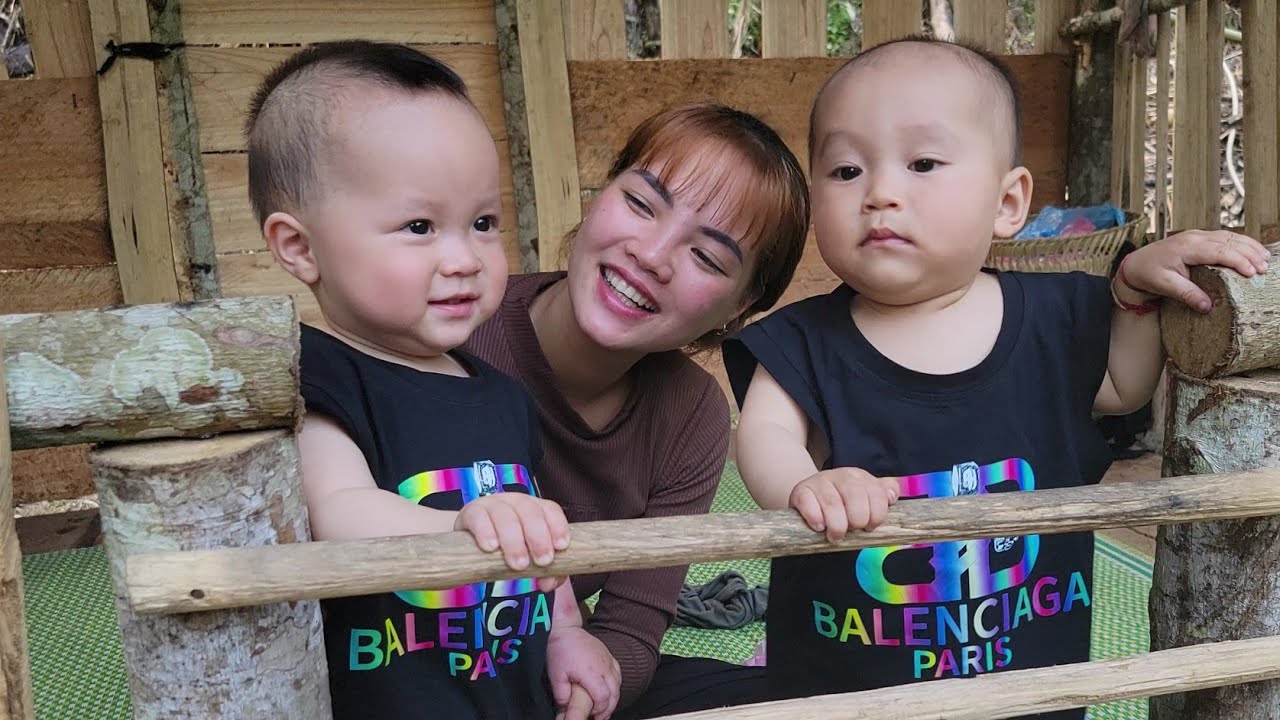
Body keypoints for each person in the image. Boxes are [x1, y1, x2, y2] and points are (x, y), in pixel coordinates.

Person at [726, 37, 1270, 719]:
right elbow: (765, 434)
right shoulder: (800, 340)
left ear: (1008, 202)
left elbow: (1122, 387)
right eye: (845, 170)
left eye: (923, 163)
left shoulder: (1058, 315)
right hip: (851, 692)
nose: (880, 194)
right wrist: (804, 485)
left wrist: (1134, 293)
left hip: (1027, 687)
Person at [250, 41, 619, 720]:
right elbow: (336, 510)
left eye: (482, 223)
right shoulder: (318, 377)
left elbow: (537, 536)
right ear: (300, 247)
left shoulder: (504, 395)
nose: (464, 258)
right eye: (419, 226)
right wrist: (460, 524)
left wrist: (567, 630)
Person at [464, 101, 810, 716]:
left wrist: (588, 687)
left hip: (555, 677)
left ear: (739, 306)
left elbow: (631, 632)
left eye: (707, 257)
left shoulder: (692, 414)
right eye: (642, 204)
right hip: (413, 661)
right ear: (603, 192)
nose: (651, 255)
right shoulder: (458, 333)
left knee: (785, 697)